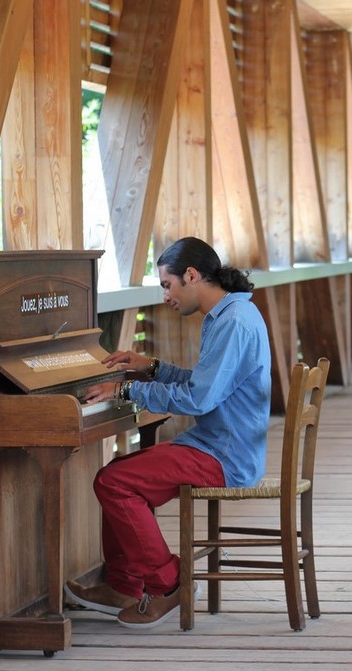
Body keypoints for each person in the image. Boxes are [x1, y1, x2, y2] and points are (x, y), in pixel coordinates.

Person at [64, 236, 272, 628]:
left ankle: (168, 585)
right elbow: (206, 385)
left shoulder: (232, 323)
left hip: (225, 455)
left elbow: (199, 399)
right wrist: (152, 367)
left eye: (167, 285)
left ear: (191, 275)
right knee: (117, 474)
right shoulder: (230, 314)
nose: (165, 297)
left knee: (115, 482)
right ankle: (123, 585)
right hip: (219, 445)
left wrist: (125, 389)